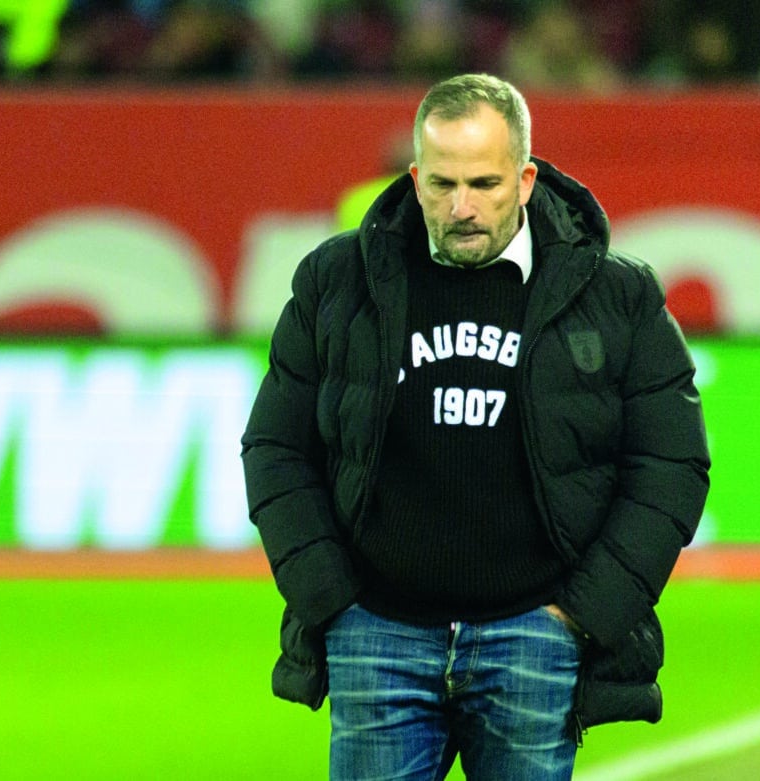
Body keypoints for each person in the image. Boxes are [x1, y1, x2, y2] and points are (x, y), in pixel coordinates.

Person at [241, 73, 710, 779]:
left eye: (485, 183)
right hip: (377, 633)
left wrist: (583, 615)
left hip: (536, 639)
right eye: (442, 184)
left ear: (525, 179)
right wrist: (330, 600)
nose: (461, 207)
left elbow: (671, 465)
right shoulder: (336, 281)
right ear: (414, 177)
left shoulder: (617, 295)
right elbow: (275, 448)